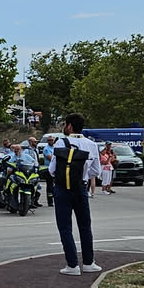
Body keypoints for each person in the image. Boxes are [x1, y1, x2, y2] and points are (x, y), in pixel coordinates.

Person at [48, 113, 101, 277]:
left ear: (70, 126)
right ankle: (88, 262)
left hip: (62, 189)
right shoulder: (91, 145)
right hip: (81, 188)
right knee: (85, 226)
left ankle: (72, 265)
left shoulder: (60, 143)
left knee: (65, 227)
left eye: (65, 124)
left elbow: (52, 170)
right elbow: (96, 171)